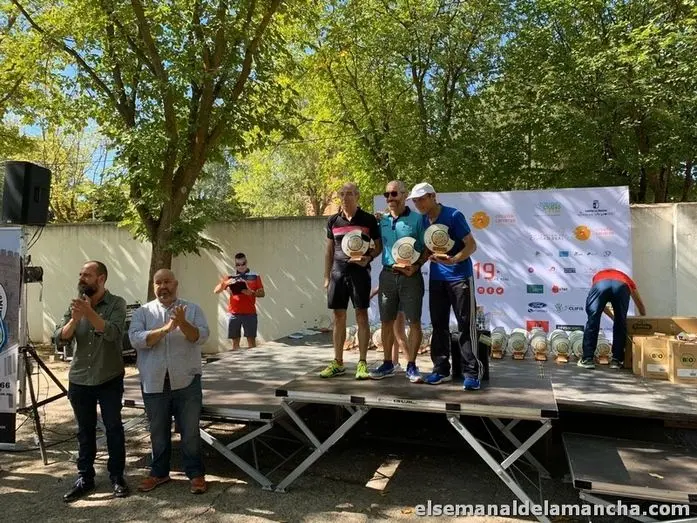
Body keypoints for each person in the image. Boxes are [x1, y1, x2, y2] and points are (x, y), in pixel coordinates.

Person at [128, 269, 210, 494]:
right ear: (153, 286)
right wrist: (165, 329)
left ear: (176, 284)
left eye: (167, 282)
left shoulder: (192, 309)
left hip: (186, 380)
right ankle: (159, 473)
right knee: (158, 432)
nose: (163, 286)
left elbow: (200, 336)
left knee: (190, 431)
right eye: (158, 283)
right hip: (154, 381)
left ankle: (196, 474)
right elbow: (136, 339)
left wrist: (182, 323)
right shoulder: (143, 312)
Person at [54, 261, 129, 502]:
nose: (81, 278)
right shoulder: (75, 304)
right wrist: (75, 320)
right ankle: (85, 478)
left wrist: (89, 313)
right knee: (84, 431)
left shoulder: (117, 303)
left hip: (109, 378)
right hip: (80, 379)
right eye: (81, 274)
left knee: (113, 428)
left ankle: (117, 477)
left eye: (87, 275)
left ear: (101, 279)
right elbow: (60, 338)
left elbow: (113, 333)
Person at [409, 182, 482, 391]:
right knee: (438, 325)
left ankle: (472, 373)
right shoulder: (423, 220)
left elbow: (471, 245)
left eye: (422, 199)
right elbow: (427, 249)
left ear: (433, 196)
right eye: (415, 201)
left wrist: (454, 260)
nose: (418, 204)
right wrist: (414, 266)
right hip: (437, 279)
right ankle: (440, 370)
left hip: (460, 277)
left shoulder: (453, 215)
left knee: (466, 325)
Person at [321, 182, 382, 379]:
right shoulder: (333, 220)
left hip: (360, 274)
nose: (345, 197)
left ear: (357, 196)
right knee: (338, 316)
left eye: (349, 194)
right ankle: (338, 362)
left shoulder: (368, 219)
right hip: (337, 274)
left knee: (361, 315)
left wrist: (368, 258)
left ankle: (362, 363)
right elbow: (329, 250)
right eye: (342, 194)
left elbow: (378, 247)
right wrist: (326, 276)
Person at [370, 180, 427, 383]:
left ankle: (411, 366)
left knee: (414, 322)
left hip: (410, 276)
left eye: (394, 194)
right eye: (386, 195)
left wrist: (417, 266)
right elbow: (376, 246)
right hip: (387, 275)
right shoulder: (382, 220)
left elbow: (427, 248)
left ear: (404, 195)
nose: (390, 198)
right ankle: (388, 364)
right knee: (386, 322)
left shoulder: (418, 220)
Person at [577, 268, 646, 370]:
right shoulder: (626, 279)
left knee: (593, 320)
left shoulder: (598, 277)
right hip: (621, 286)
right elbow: (638, 300)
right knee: (620, 322)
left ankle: (587, 359)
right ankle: (616, 361)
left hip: (600, 285)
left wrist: (612, 317)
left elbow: (600, 306)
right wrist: (643, 315)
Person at [213, 252, 265, 349]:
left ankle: (252, 359)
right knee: (235, 344)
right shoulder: (230, 276)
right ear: (235, 265)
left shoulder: (255, 276)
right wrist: (225, 283)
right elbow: (216, 291)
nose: (241, 266)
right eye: (238, 264)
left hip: (250, 313)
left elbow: (262, 293)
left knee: (251, 343)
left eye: (243, 264)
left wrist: (252, 293)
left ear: (246, 262)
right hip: (234, 314)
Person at [370, 286, 407, 371]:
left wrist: (374, 292)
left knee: (399, 332)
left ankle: (411, 364)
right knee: (395, 331)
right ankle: (395, 362)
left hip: (399, 292)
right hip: (394, 292)